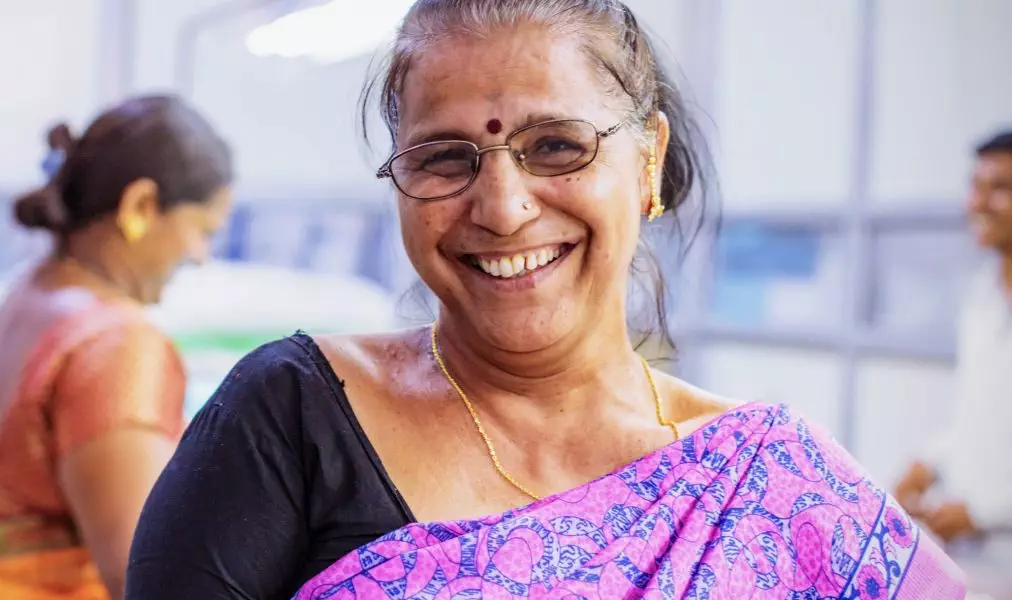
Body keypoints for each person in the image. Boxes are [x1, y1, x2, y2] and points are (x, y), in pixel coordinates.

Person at [126, 2, 965, 598]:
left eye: (556, 147)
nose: (501, 207)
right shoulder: (291, 416)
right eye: (445, 158)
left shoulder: (774, 488)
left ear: (647, 162)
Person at [0, 94, 234, 600]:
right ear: (141, 207)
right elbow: (147, 581)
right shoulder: (117, 343)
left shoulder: (30, 296)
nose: (200, 257)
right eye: (201, 230)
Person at [895, 130, 1012, 544]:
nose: (978, 204)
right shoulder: (984, 295)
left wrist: (985, 512)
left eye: (1000, 189)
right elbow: (985, 414)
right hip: (977, 556)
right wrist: (927, 464)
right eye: (975, 187)